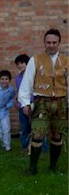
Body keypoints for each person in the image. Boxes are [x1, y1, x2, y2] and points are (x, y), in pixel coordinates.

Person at [18, 28, 68, 175]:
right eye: (48, 42)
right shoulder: (35, 59)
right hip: (41, 101)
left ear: (59, 42)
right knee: (38, 134)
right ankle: (32, 168)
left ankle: (53, 166)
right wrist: (25, 103)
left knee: (57, 134)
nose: (51, 45)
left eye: (54, 42)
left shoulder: (66, 61)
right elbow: (26, 82)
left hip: (61, 102)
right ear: (44, 43)